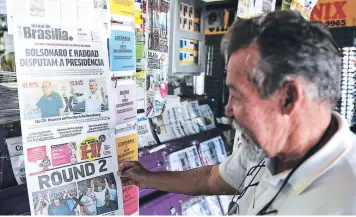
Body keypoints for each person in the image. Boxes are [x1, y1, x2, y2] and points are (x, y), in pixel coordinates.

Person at [118, 10, 356, 215]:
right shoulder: (267, 147)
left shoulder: (346, 198)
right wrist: (146, 178)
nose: (228, 110)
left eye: (238, 96)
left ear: (288, 98)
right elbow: (210, 179)